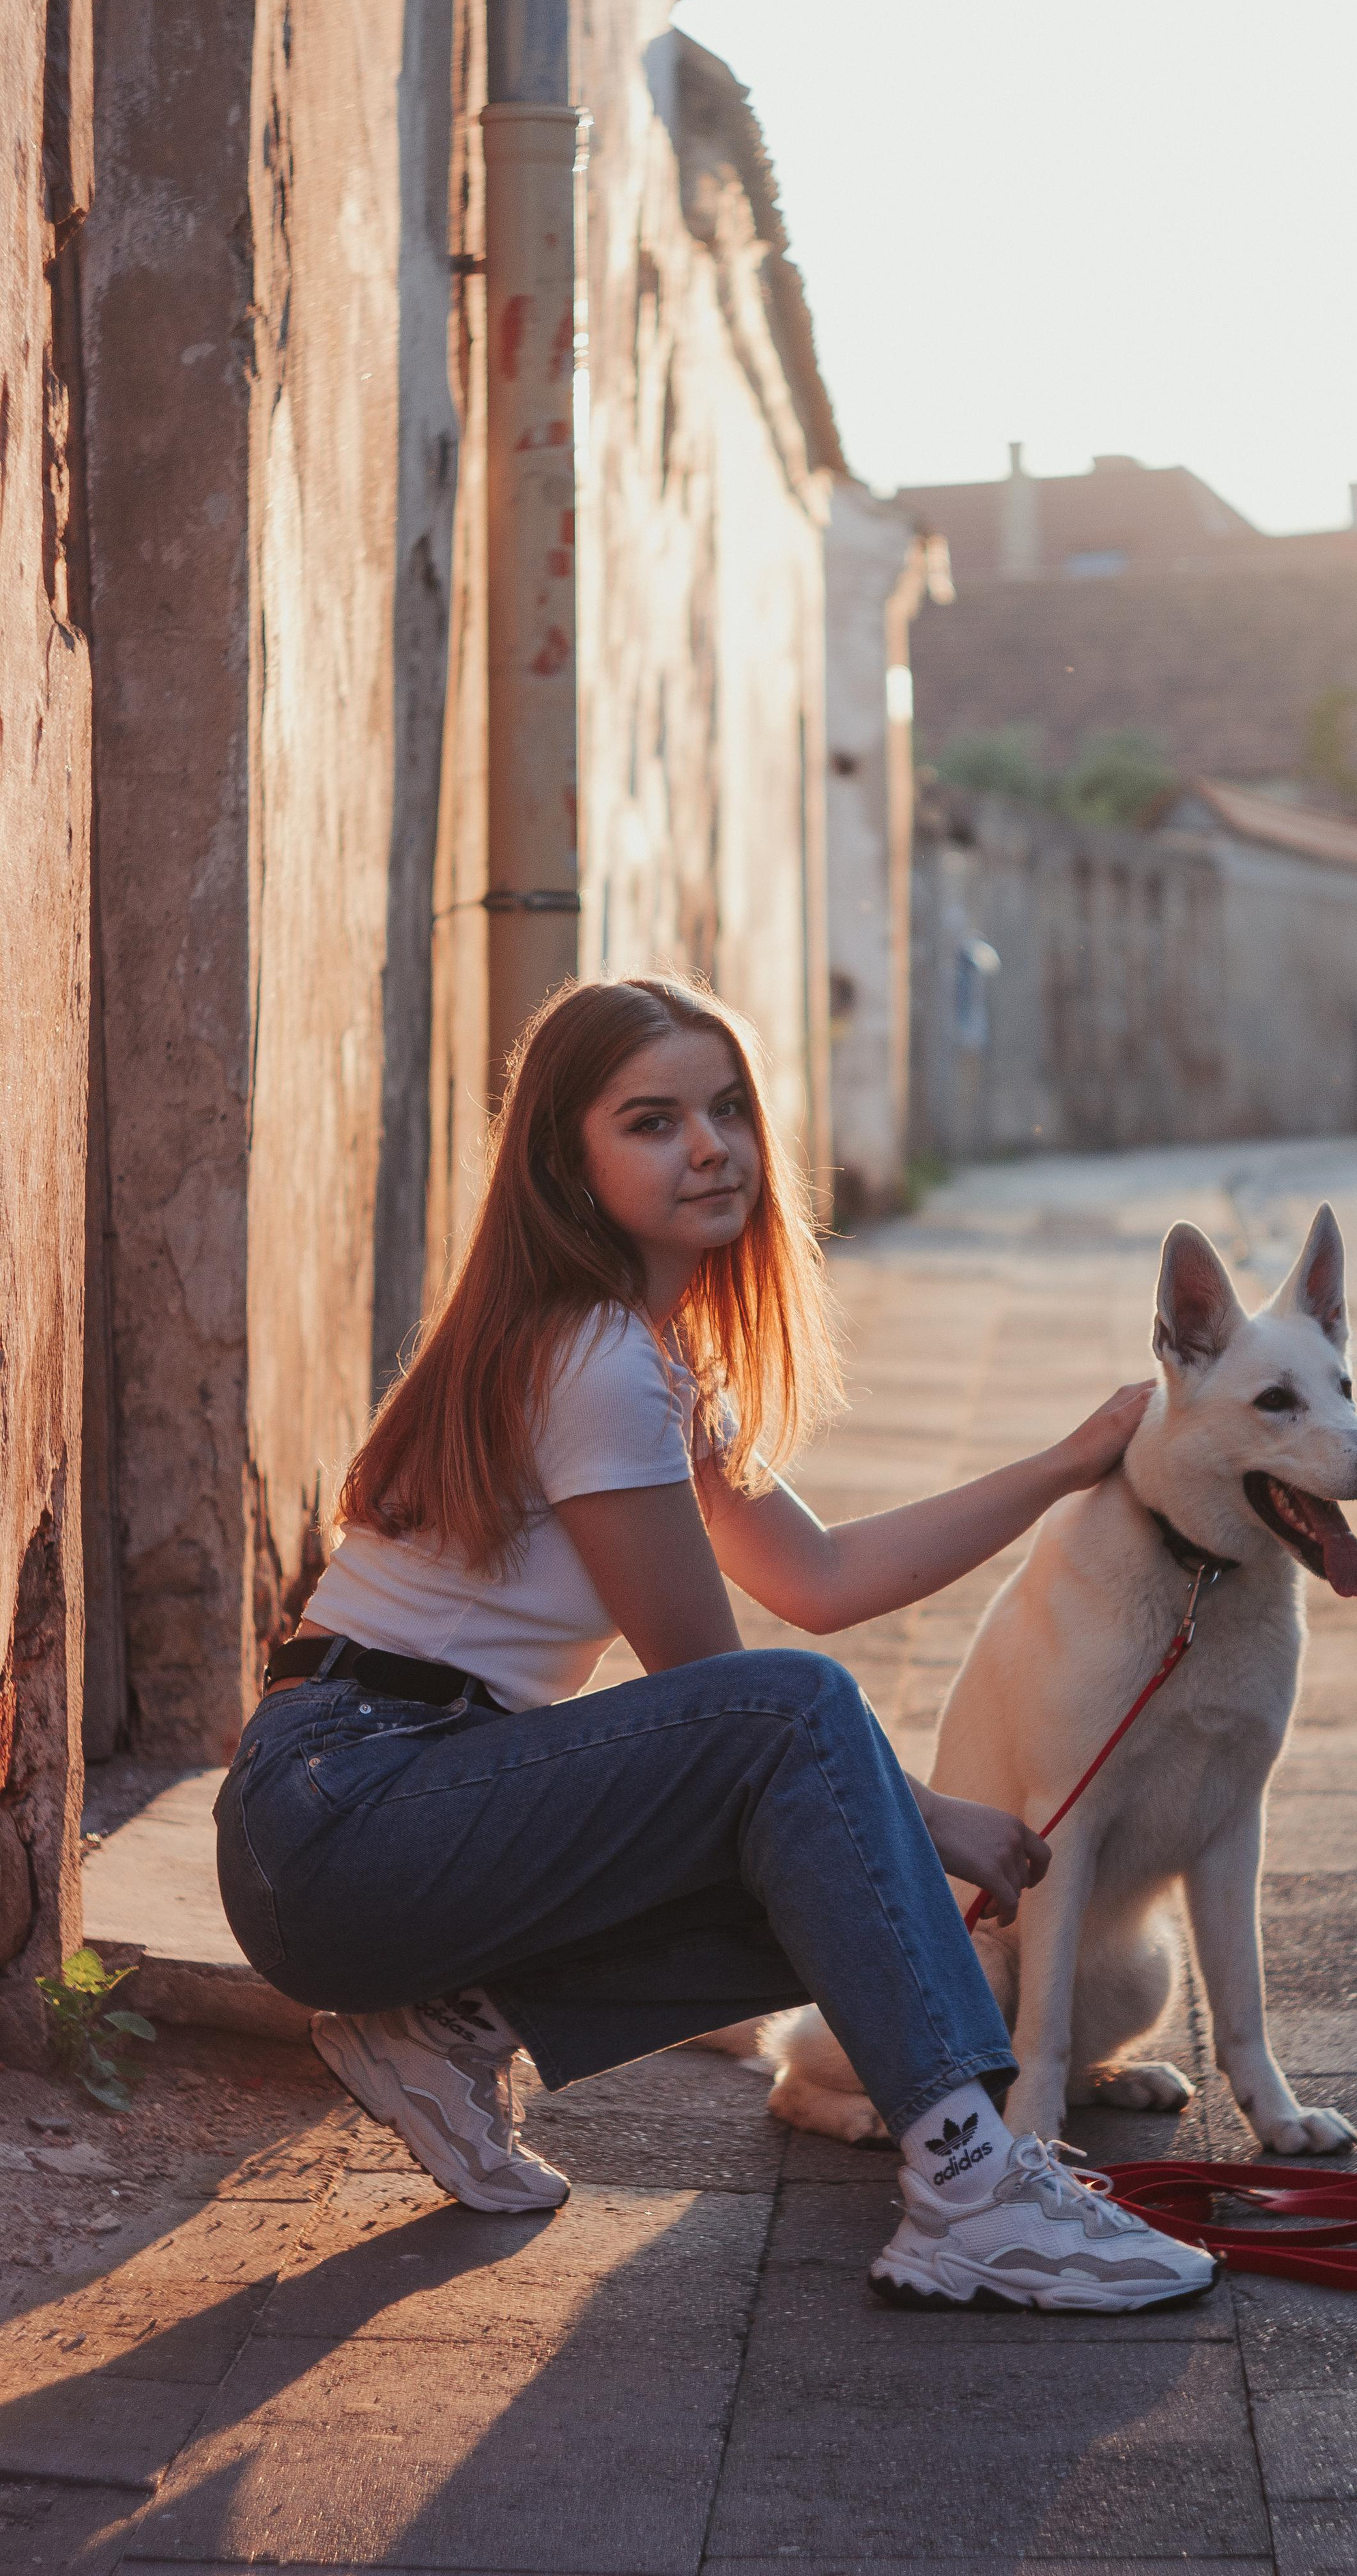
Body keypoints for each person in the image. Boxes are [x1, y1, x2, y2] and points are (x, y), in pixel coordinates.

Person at [214, 975, 1217, 2314]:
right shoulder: (595, 1364)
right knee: (811, 1749)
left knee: (820, 1832)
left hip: (371, 1820)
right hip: (347, 1810)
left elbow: (819, 1577)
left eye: (727, 1108)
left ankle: (451, 2025)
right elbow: (722, 1693)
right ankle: (973, 2183)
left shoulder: (644, 1358)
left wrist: (1064, 1464)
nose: (709, 1146)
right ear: (566, 1168)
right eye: (650, 1121)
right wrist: (930, 1821)